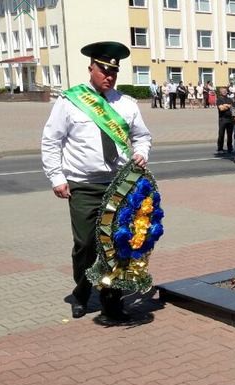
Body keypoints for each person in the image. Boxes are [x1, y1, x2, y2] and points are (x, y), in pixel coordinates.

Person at [40, 41, 152, 322]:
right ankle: (81, 291)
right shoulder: (70, 101)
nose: (109, 76)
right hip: (83, 185)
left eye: (114, 71)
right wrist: (57, 177)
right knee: (87, 244)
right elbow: (51, 141)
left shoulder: (125, 104)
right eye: (103, 70)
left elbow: (142, 136)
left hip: (119, 184)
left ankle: (111, 300)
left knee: (117, 242)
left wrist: (141, 153)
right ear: (91, 68)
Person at [215, 87, 234, 153]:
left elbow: (233, 107)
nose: (224, 92)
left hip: (230, 119)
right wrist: (228, 106)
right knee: (221, 134)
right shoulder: (219, 99)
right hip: (222, 119)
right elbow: (221, 109)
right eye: (223, 91)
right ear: (220, 92)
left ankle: (230, 148)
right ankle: (220, 148)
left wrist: (225, 105)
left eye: (225, 91)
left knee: (230, 135)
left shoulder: (230, 99)